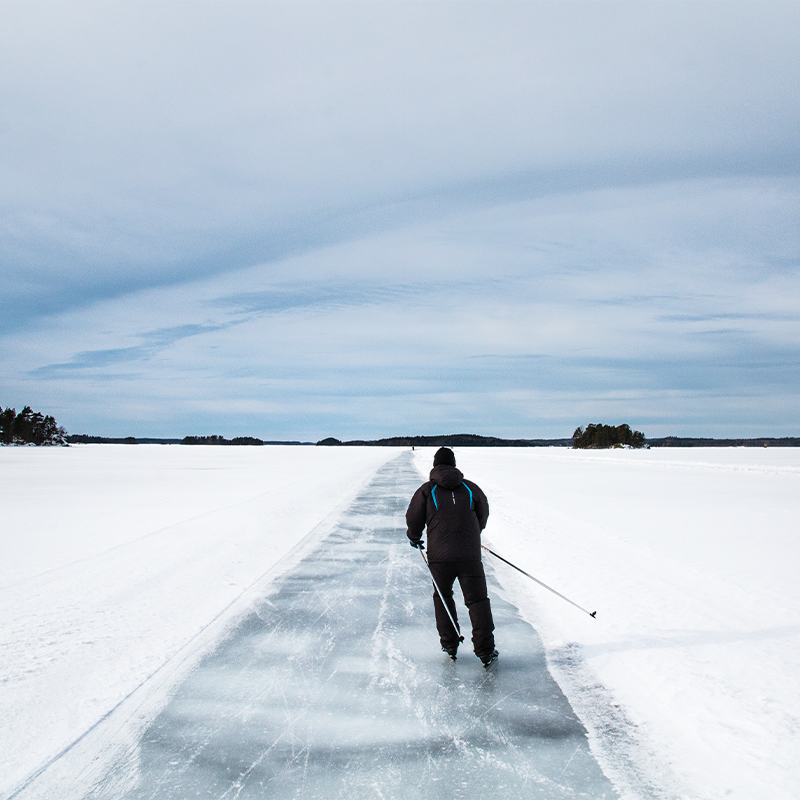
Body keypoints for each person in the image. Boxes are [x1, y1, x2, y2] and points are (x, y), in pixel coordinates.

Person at [406, 447, 498, 667]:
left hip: (439, 557)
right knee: (478, 600)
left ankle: (450, 644)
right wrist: (476, 532)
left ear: (436, 465)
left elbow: (413, 516)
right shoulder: (470, 488)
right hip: (470, 556)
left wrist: (414, 536)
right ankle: (485, 650)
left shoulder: (427, 490)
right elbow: (482, 513)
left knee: (443, 597)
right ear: (454, 464)